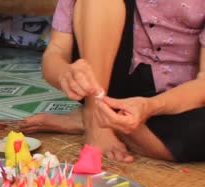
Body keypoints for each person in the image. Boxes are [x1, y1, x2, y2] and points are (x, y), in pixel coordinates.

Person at [20, 0, 205, 163]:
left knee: (196, 132)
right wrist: (64, 74)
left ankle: (101, 120)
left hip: (179, 101)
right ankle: (97, 120)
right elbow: (55, 54)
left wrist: (151, 106)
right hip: (105, 89)